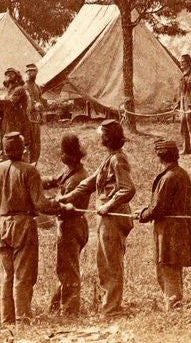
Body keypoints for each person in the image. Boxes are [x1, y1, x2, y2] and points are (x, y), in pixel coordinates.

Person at [61, 118, 136, 318]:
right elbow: (90, 181)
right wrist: (68, 196)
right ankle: (108, 307)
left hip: (112, 216)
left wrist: (108, 205)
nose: (99, 138)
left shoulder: (118, 160)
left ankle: (111, 309)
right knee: (104, 263)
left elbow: (128, 189)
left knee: (111, 264)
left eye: (102, 134)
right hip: (107, 216)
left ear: (108, 137)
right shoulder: (109, 157)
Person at [0, 132, 60, 324]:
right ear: (22, 149)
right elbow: (40, 204)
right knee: (23, 273)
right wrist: (58, 206)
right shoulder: (29, 170)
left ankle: (7, 318)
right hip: (23, 224)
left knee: (7, 274)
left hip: (3, 223)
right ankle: (22, 317)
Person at [138, 139, 191, 311]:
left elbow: (158, 208)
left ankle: (173, 308)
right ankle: (175, 304)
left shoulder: (169, 177)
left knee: (167, 267)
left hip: (169, 231)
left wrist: (142, 215)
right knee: (174, 268)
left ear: (160, 156)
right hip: (180, 229)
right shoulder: (181, 173)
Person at [42, 134, 90, 317]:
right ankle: (56, 307)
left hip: (71, 226)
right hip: (74, 225)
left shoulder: (76, 179)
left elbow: (62, 208)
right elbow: (54, 180)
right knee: (66, 268)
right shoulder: (71, 171)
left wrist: (46, 204)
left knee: (67, 270)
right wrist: (33, 178)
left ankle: (70, 311)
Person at [0, 68, 31, 144]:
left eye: (12, 74)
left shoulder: (19, 89)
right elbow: (4, 107)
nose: (9, 75)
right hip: (7, 122)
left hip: (18, 122)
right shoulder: (8, 92)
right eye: (6, 74)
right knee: (7, 144)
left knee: (18, 145)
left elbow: (10, 103)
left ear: (17, 77)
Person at [24, 63, 46, 165]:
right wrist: (33, 107)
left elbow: (40, 100)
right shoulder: (24, 87)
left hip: (36, 120)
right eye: (29, 71)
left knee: (37, 144)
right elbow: (24, 104)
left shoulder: (37, 86)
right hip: (27, 120)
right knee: (29, 143)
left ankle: (34, 163)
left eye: (33, 71)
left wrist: (41, 114)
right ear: (26, 73)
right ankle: (28, 164)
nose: (31, 73)